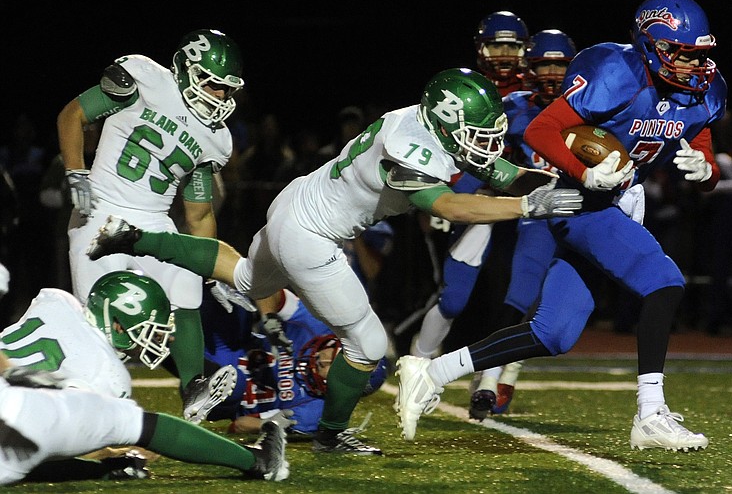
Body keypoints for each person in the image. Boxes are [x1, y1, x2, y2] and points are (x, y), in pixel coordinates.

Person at [86, 67, 583, 455]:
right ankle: (331, 433)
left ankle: (132, 238)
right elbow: (448, 206)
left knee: (240, 274)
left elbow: (500, 170)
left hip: (294, 203)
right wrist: (525, 207)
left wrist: (569, 186)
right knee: (369, 346)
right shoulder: (408, 145)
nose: (486, 141)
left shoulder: (428, 124)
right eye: (477, 131)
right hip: (312, 235)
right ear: (446, 121)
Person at [396, 0, 726, 452]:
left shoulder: (707, 88)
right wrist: (585, 171)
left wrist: (707, 169)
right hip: (582, 200)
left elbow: (699, 132)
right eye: (682, 53)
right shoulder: (616, 72)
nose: (693, 64)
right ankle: (650, 414)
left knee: (555, 332)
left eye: (699, 53)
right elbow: (540, 130)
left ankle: (432, 371)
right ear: (653, 45)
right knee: (664, 281)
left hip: (624, 200)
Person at [56, 29, 245, 418]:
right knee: (102, 322)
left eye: (227, 90)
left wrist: (209, 268)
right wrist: (76, 171)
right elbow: (72, 114)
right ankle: (89, 406)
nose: (221, 97)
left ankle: (194, 386)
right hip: (101, 213)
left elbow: (199, 212)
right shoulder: (145, 79)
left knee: (186, 281)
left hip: (154, 219)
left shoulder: (214, 138)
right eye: (212, 85)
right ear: (185, 70)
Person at [412, 29, 578, 420]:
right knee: (455, 296)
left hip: (548, 208)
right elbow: (482, 161)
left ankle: (497, 376)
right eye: (544, 65)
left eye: (560, 65)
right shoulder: (509, 104)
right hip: (497, 200)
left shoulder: (588, 106)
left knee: (526, 290)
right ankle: (417, 365)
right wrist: (442, 197)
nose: (552, 74)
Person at [0, 351, 290, 485]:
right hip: (17, 414)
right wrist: (9, 371)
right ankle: (259, 461)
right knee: (131, 422)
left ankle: (110, 468)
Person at [0, 270, 236, 423]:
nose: (168, 340)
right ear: (118, 326)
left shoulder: (57, 301)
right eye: (150, 329)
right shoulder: (107, 373)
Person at [202, 288, 388, 436]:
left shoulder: (314, 414)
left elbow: (238, 426)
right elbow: (270, 291)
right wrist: (269, 317)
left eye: (334, 368)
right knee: (234, 300)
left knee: (233, 386)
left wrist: (267, 425)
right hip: (232, 344)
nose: (323, 359)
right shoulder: (317, 326)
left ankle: (180, 354)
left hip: (229, 392)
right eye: (334, 354)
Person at [474, 11, 530, 96]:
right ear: (482, 49)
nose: (505, 53)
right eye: (497, 46)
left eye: (512, 47)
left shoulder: (534, 91)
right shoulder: (471, 88)